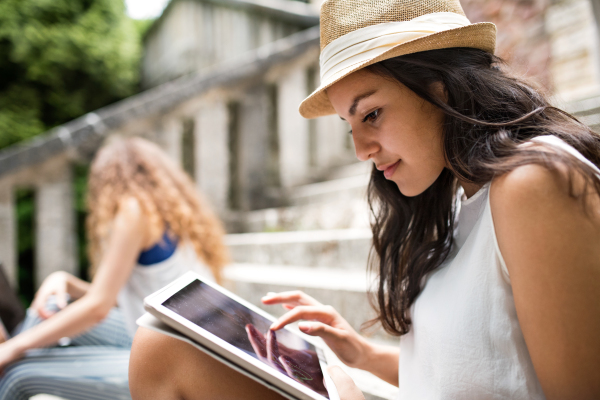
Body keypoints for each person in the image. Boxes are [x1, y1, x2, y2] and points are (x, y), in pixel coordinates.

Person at [128, 0, 600, 399]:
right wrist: (360, 354)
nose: (360, 150)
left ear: (440, 83)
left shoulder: (533, 184)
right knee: (164, 340)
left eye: (371, 114)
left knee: (162, 352)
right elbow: (481, 371)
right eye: (350, 126)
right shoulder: (465, 198)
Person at [0, 136, 229, 399]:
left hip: (175, 361)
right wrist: (66, 281)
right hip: (170, 343)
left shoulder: (135, 211)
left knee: (18, 377)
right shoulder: (171, 216)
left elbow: (99, 307)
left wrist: (14, 348)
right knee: (50, 310)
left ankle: (7, 358)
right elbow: (128, 299)